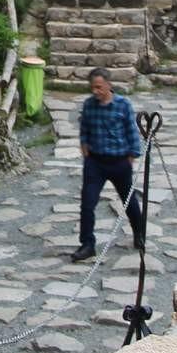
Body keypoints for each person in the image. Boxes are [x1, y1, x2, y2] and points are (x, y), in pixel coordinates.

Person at [72, 68, 146, 261]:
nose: (95, 91)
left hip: (119, 161)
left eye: (99, 87)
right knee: (87, 204)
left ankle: (139, 234)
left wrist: (132, 155)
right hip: (95, 162)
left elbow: (131, 131)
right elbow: (84, 129)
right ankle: (87, 244)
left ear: (108, 85)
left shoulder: (123, 104)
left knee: (129, 201)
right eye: (92, 87)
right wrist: (85, 150)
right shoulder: (89, 105)